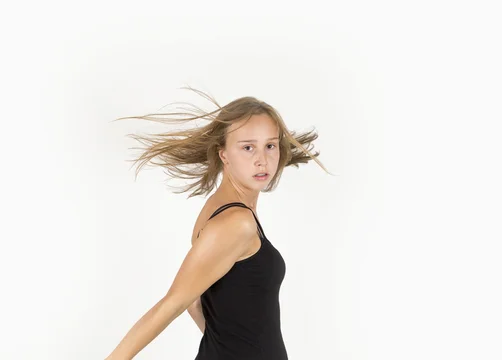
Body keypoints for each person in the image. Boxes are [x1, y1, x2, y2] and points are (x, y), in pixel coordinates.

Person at [105, 86, 332, 359]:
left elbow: (195, 301)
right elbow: (174, 303)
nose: (262, 160)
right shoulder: (236, 222)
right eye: (248, 147)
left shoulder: (219, 210)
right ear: (224, 154)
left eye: (270, 146)